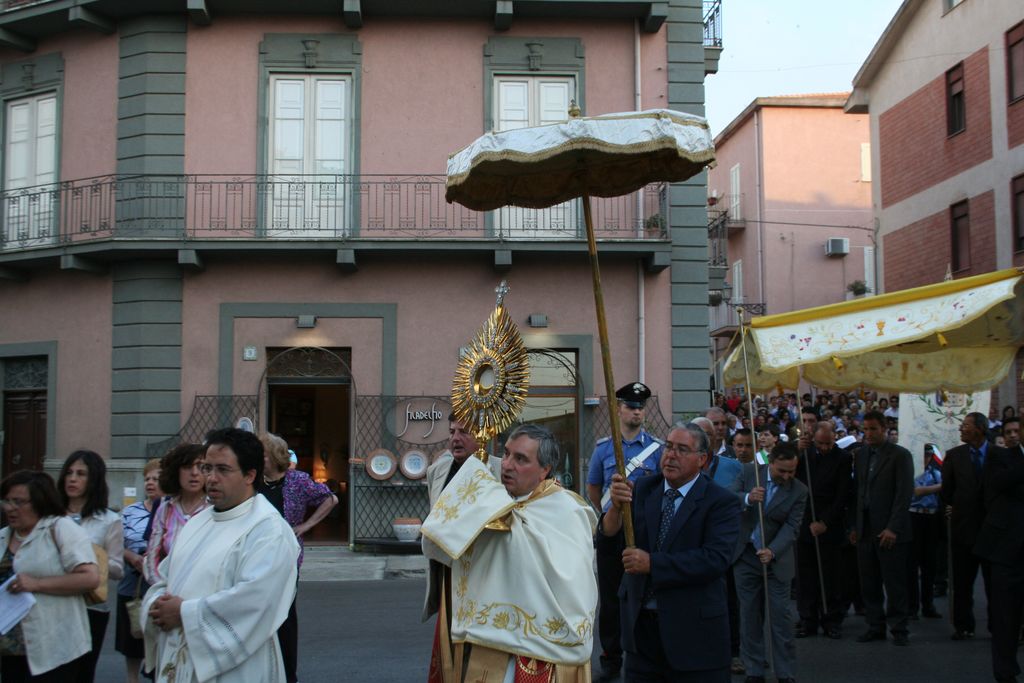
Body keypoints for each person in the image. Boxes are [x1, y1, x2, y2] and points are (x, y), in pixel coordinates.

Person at [421, 423, 598, 681]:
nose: (506, 465)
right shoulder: (493, 502)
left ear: (545, 470)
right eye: (506, 454)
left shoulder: (567, 512)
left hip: (541, 652)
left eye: (520, 459)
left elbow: (571, 584)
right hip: (490, 645)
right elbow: (442, 540)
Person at [143, 427, 300, 683]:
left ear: (250, 475)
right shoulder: (198, 522)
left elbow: (256, 602)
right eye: (208, 468)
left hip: (237, 668)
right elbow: (166, 577)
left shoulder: (269, 530)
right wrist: (156, 604)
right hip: (181, 660)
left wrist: (183, 612)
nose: (211, 478)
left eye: (223, 469)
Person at [603, 423, 741, 682]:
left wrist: (653, 564)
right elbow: (610, 540)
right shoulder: (644, 489)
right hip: (642, 633)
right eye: (668, 447)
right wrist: (615, 508)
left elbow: (715, 559)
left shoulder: (721, 502)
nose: (671, 455)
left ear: (702, 459)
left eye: (682, 449)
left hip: (694, 636)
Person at [586, 382, 663, 678]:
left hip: (643, 531)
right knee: (610, 597)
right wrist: (608, 514)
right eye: (631, 407)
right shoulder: (604, 448)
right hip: (613, 529)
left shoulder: (656, 449)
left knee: (642, 593)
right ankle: (610, 657)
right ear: (619, 409)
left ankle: (641, 653)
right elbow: (594, 488)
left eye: (641, 407)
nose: (637, 412)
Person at [1, 470, 100, 682]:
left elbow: (90, 578)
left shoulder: (60, 528)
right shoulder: (3, 535)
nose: (10, 508)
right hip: (10, 649)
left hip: (55, 647)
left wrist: (36, 584)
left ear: (40, 501)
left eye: (18, 502)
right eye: (7, 501)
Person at [258, 432, 338, 683]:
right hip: (256, 556)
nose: (258, 459)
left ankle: (287, 673)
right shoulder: (253, 481)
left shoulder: (297, 480)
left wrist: (306, 525)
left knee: (284, 616)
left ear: (275, 456)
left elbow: (331, 498)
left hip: (286, 557)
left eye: (263, 454)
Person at [730, 442, 807, 683]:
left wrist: (772, 551)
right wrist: (747, 498)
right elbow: (728, 498)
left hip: (776, 560)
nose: (786, 476)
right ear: (770, 462)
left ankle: (785, 672)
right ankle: (754, 669)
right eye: (781, 471)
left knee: (781, 617)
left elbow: (792, 526)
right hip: (746, 556)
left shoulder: (799, 491)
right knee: (749, 615)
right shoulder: (748, 473)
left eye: (791, 471)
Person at [57, 450, 125, 683]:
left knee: (81, 674)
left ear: (94, 479)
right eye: (69, 473)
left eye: (81, 474)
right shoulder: (50, 515)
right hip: (54, 603)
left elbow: (117, 569)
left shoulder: (109, 520)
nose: (72, 479)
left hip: (90, 607)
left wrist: (92, 558)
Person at [852, 410, 914, 646]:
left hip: (889, 529)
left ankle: (899, 628)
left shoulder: (900, 455)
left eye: (873, 429)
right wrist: (854, 525)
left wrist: (893, 528)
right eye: (865, 429)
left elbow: (903, 494)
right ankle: (875, 625)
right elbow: (858, 490)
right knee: (869, 582)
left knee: (894, 581)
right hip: (865, 527)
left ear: (884, 429)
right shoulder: (862, 454)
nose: (868, 434)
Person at [795, 422, 853, 639]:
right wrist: (798, 451)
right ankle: (807, 619)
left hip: (830, 523)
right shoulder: (805, 454)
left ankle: (832, 620)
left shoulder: (843, 458)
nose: (825, 448)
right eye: (820, 443)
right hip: (804, 521)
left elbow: (843, 494)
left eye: (829, 443)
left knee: (831, 576)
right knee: (806, 576)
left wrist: (825, 522)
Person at [942, 412, 995, 640]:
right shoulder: (954, 456)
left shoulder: (999, 455)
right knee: (962, 583)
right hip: (963, 529)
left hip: (993, 531)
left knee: (996, 584)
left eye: (965, 425)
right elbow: (947, 492)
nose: (961, 429)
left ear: (980, 429)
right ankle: (963, 625)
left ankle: (999, 626)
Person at [974, 440, 1024, 683]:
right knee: (1006, 617)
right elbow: (998, 484)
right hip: (1007, 550)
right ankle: (1006, 672)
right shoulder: (1000, 456)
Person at [116, 458, 163, 683]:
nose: (150, 483)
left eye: (156, 479)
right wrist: (131, 557)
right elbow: (115, 544)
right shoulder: (130, 512)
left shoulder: (171, 511)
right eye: (147, 479)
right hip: (132, 584)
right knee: (132, 639)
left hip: (159, 584)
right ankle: (132, 678)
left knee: (157, 636)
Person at [143, 443, 209, 585]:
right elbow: (151, 557)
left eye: (201, 466)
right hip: (167, 588)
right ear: (176, 471)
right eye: (187, 466)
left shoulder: (214, 509)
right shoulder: (165, 509)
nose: (194, 473)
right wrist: (161, 588)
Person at [908, 444, 943, 621]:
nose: (926, 459)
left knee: (930, 564)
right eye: (924, 455)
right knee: (912, 564)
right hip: (914, 517)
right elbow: (916, 492)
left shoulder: (935, 474)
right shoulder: (912, 473)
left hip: (931, 518)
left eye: (929, 456)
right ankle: (912, 607)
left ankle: (928, 604)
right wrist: (941, 487)